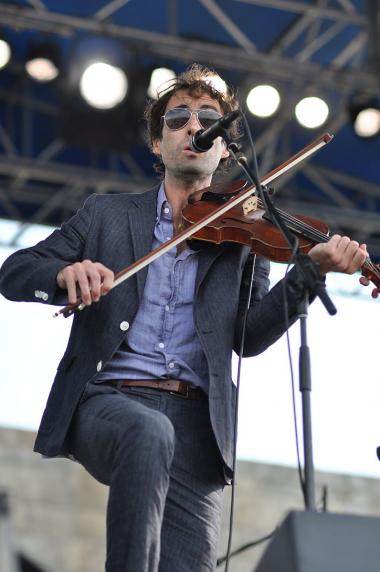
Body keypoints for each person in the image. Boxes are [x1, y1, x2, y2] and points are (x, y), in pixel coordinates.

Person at [0, 64, 368, 572]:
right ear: (158, 143)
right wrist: (66, 272)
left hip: (199, 427)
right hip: (109, 400)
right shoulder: (105, 213)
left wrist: (310, 272)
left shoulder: (246, 233)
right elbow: (15, 270)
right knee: (148, 433)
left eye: (208, 119)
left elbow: (250, 336)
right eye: (177, 119)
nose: (194, 127)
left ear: (223, 148)